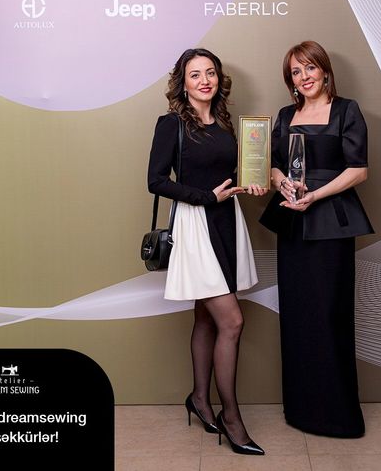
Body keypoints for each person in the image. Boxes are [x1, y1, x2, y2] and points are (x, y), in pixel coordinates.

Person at [148, 48, 267, 455]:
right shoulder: (171, 124)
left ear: (219, 79)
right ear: (183, 83)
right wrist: (205, 197)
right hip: (197, 224)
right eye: (195, 74)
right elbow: (155, 180)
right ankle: (231, 418)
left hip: (227, 221)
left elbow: (230, 174)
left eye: (210, 72)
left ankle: (199, 399)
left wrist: (250, 182)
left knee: (205, 317)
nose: (204, 80)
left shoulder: (225, 123)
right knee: (231, 321)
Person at [260, 40, 373, 438]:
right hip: (293, 222)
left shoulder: (347, 110)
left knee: (330, 313)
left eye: (310, 68)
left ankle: (338, 415)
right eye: (296, 71)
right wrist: (282, 183)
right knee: (298, 315)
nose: (304, 76)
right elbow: (272, 165)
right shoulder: (285, 115)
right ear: (290, 80)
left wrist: (316, 195)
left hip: (331, 222)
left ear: (324, 71)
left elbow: (358, 170)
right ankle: (301, 410)